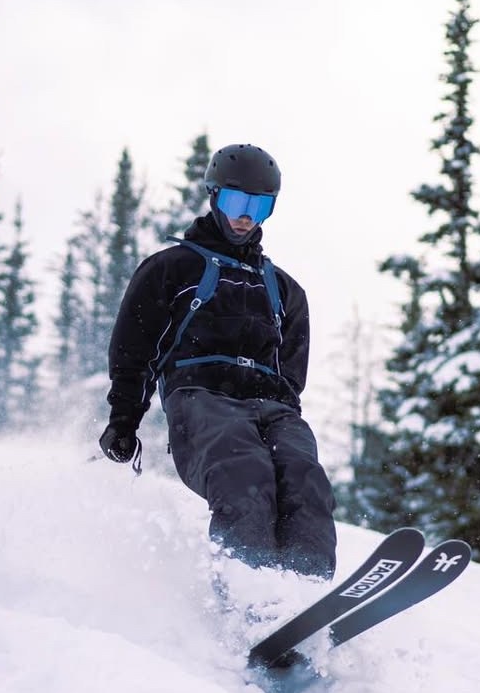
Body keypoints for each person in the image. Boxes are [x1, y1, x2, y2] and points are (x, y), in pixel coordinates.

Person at [98, 143, 337, 578]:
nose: (245, 215)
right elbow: (133, 350)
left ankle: (305, 590)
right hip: (201, 400)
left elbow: (291, 374)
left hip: (272, 407)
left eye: (259, 206)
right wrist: (124, 420)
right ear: (214, 197)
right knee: (246, 478)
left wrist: (286, 428)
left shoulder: (285, 291)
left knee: (304, 479)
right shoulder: (171, 269)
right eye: (235, 201)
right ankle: (249, 596)